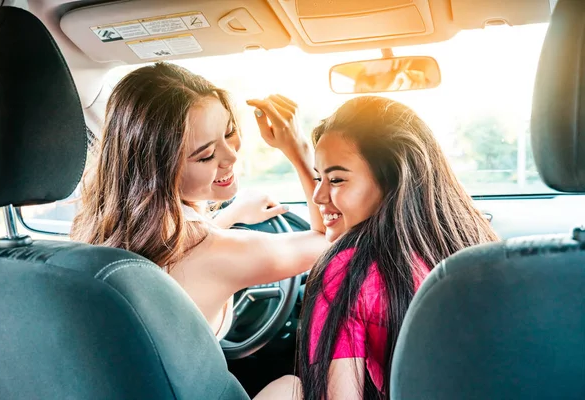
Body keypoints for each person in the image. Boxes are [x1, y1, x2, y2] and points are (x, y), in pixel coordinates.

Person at [255, 96, 498, 399]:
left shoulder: (348, 269)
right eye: (320, 178)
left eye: (336, 179)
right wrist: (300, 152)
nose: (318, 196)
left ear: (391, 180)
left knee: (285, 389)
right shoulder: (470, 242)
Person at [71, 62, 327, 339]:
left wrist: (229, 217)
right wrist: (299, 149)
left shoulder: (97, 229)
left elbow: (185, 250)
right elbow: (331, 240)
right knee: (291, 383)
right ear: (157, 168)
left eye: (229, 133)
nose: (231, 157)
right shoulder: (220, 252)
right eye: (205, 155)